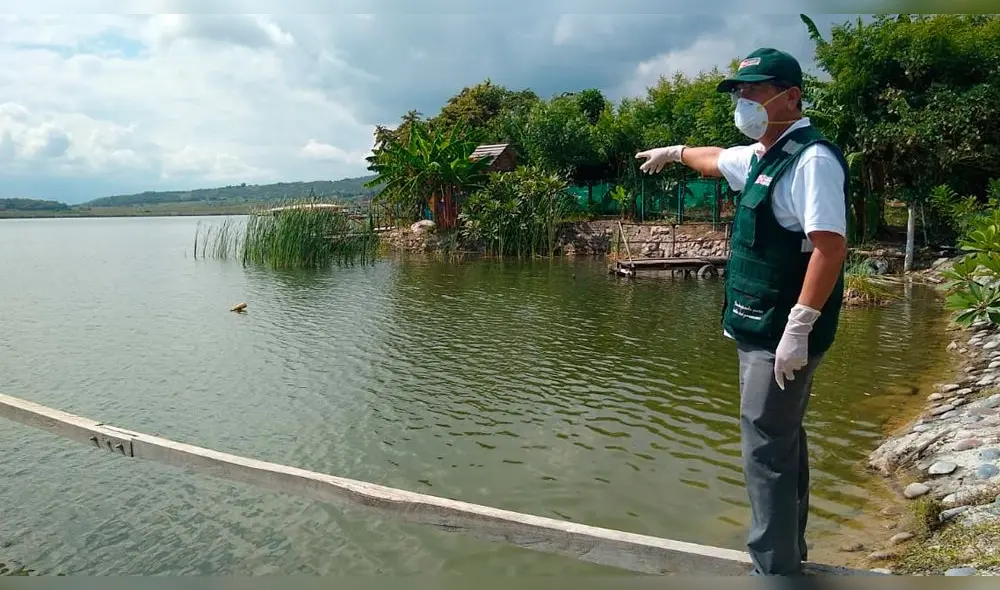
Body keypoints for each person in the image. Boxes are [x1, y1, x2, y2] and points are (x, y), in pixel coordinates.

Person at [635, 47, 849, 576]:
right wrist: (676, 150)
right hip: (757, 325)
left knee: (764, 449)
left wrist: (799, 328)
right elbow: (714, 157)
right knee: (782, 438)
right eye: (738, 91)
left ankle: (773, 571)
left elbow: (830, 246)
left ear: (790, 95)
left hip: (780, 331)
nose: (742, 100)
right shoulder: (760, 156)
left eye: (752, 90)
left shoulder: (811, 159)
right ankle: (789, 558)